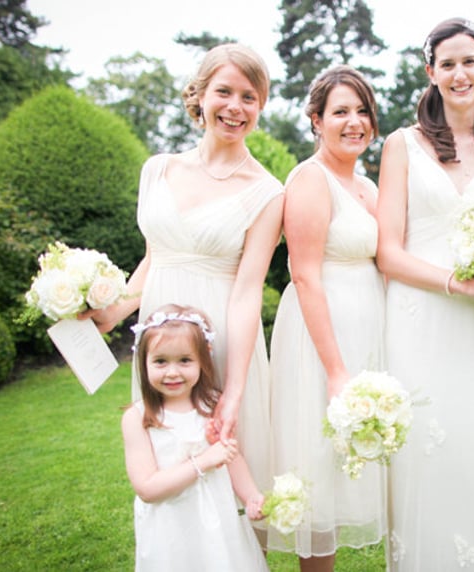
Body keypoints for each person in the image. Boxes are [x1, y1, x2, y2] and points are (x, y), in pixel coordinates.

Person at [83, 43, 284, 541]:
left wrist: (233, 391)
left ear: (261, 106)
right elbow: (155, 258)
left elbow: (247, 293)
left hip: (223, 340)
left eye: (249, 97)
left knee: (230, 467)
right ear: (200, 95)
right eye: (224, 92)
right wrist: (113, 311)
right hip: (159, 337)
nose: (235, 107)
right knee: (168, 460)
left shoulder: (268, 192)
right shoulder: (158, 169)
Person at [376, 18, 474, 571]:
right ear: (431, 72)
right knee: (423, 447)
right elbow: (387, 252)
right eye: (447, 64)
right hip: (417, 319)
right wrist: (455, 283)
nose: (459, 73)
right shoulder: (402, 146)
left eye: (469, 61)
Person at [268, 65, 386, 572]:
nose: (354, 122)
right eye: (340, 112)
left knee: (346, 468)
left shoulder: (368, 186)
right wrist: (336, 370)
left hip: (365, 329)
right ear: (316, 120)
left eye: (363, 111)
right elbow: (305, 274)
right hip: (322, 338)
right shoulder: (310, 179)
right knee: (317, 467)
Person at [122, 304, 268, 571]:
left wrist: (250, 496)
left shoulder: (213, 405)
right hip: (170, 528)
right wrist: (203, 461)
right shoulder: (138, 418)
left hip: (218, 520)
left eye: (185, 360)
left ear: (202, 361)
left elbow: (232, 458)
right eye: (160, 361)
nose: (172, 372)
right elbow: (147, 489)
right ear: (144, 363)